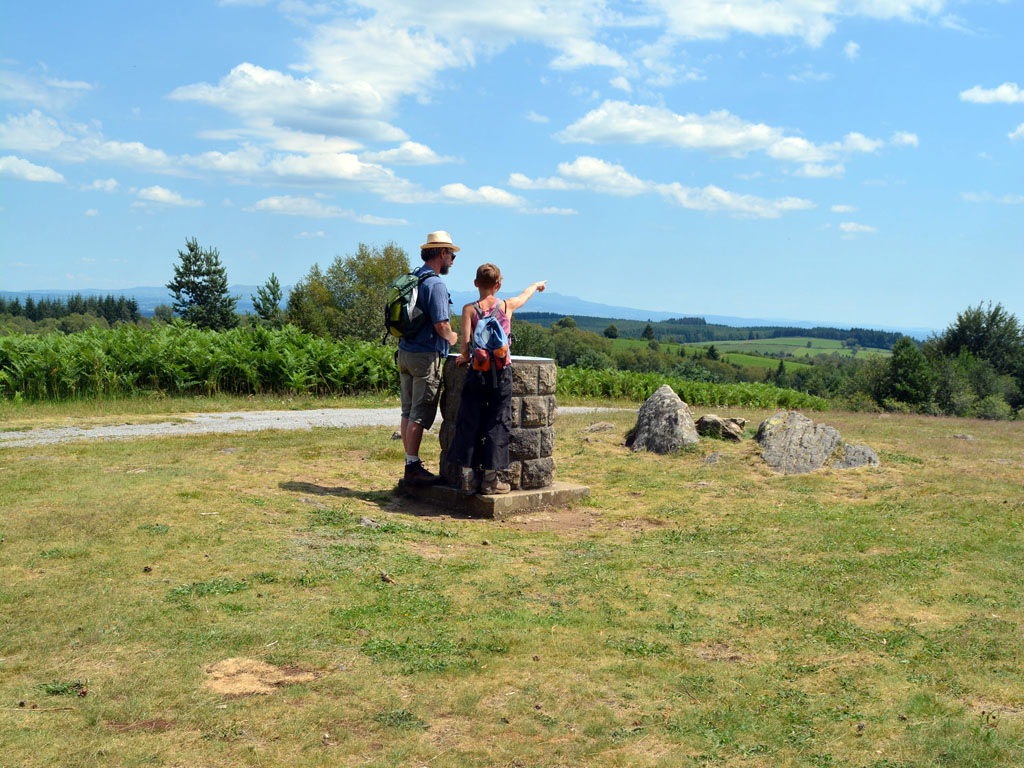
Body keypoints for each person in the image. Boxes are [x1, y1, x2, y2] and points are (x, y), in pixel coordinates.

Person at [452, 264, 546, 494]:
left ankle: (467, 478)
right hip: (501, 374)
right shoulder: (506, 306)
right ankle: (491, 480)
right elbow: (525, 296)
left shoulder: (469, 310)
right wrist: (536, 285)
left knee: (469, 420)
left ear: (475, 284)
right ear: (498, 285)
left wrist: (465, 358)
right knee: (498, 422)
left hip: (477, 373)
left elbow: (465, 348)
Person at [398, 231, 460, 486]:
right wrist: (454, 338)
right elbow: (441, 325)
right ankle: (412, 467)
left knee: (407, 411)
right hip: (425, 356)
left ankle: (409, 460)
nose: (453, 260)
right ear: (442, 254)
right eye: (452, 255)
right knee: (419, 414)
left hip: (405, 352)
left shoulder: (413, 277)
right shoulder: (435, 284)